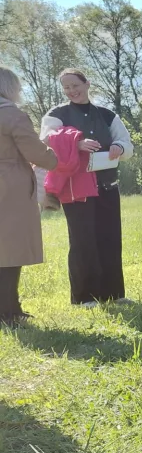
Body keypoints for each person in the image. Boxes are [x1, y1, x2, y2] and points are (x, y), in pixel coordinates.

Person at [40, 69, 134, 307]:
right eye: (66, 87)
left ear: (87, 83)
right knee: (83, 241)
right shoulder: (57, 114)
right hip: (76, 189)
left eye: (75, 85)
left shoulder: (106, 114)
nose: (72, 91)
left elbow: (126, 144)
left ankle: (113, 294)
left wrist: (119, 149)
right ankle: (84, 297)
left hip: (107, 185)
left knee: (110, 238)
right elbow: (47, 139)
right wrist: (76, 143)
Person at [0, 67, 58, 326]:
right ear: (9, 87)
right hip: (9, 187)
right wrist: (53, 157)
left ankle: (10, 308)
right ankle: (9, 312)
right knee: (10, 251)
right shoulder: (12, 115)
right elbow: (36, 153)